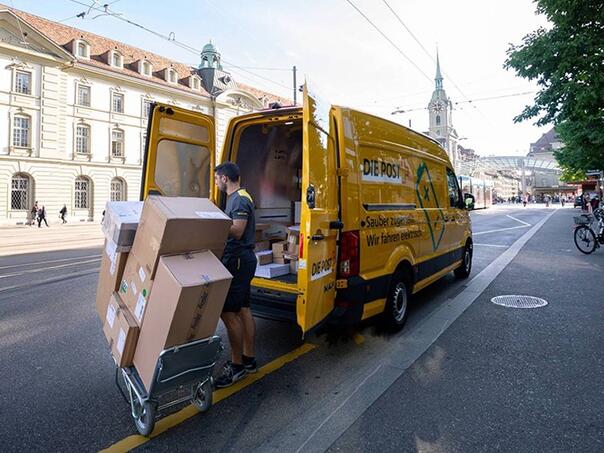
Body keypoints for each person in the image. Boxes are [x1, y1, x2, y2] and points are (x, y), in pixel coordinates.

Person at [213, 162, 258, 388]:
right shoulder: (238, 197)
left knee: (228, 312)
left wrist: (215, 220)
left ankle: (237, 366)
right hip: (243, 260)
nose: (215, 182)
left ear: (224, 178)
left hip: (238, 260)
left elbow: (238, 231)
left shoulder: (239, 199)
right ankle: (249, 359)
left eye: (216, 179)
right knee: (244, 309)